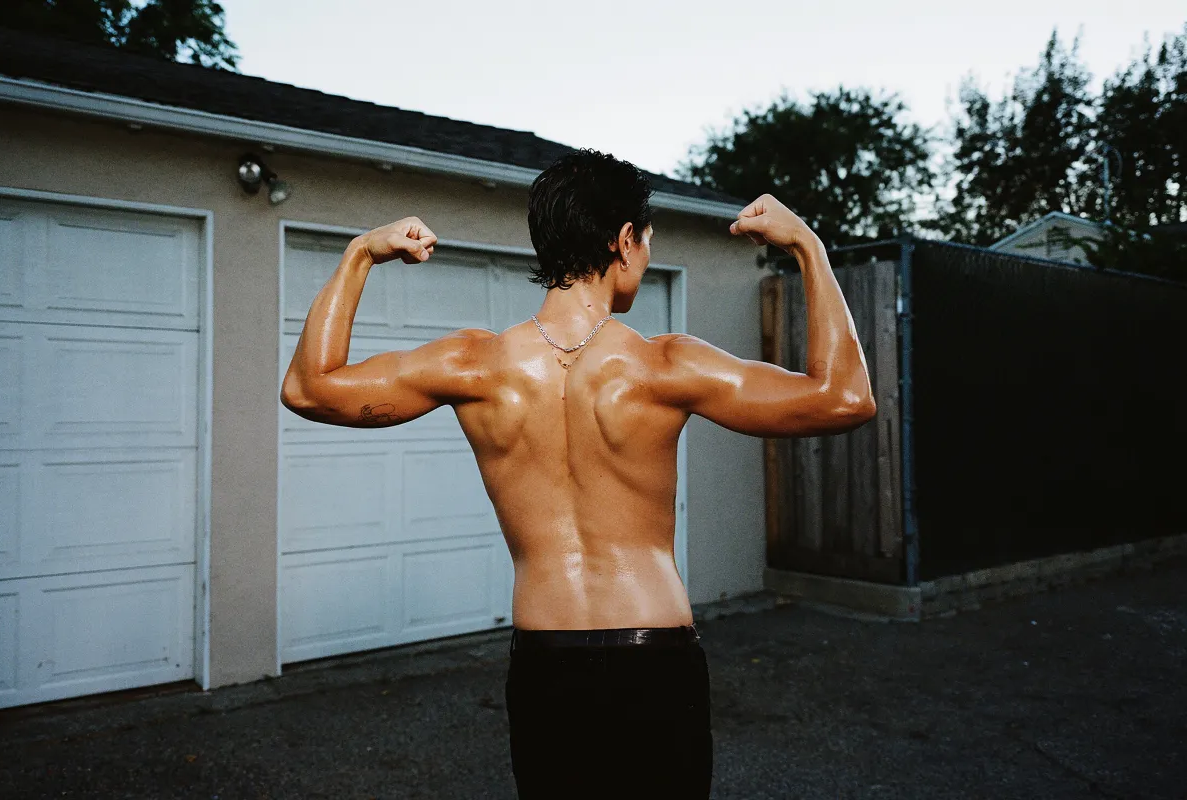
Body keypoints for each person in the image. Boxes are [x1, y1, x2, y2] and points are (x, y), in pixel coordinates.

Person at [280, 149, 875, 798]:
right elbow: (844, 398)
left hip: (546, 663)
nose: (642, 261)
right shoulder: (662, 365)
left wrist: (361, 253)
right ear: (624, 242)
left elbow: (311, 388)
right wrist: (809, 247)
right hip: (654, 658)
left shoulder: (475, 364)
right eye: (644, 244)